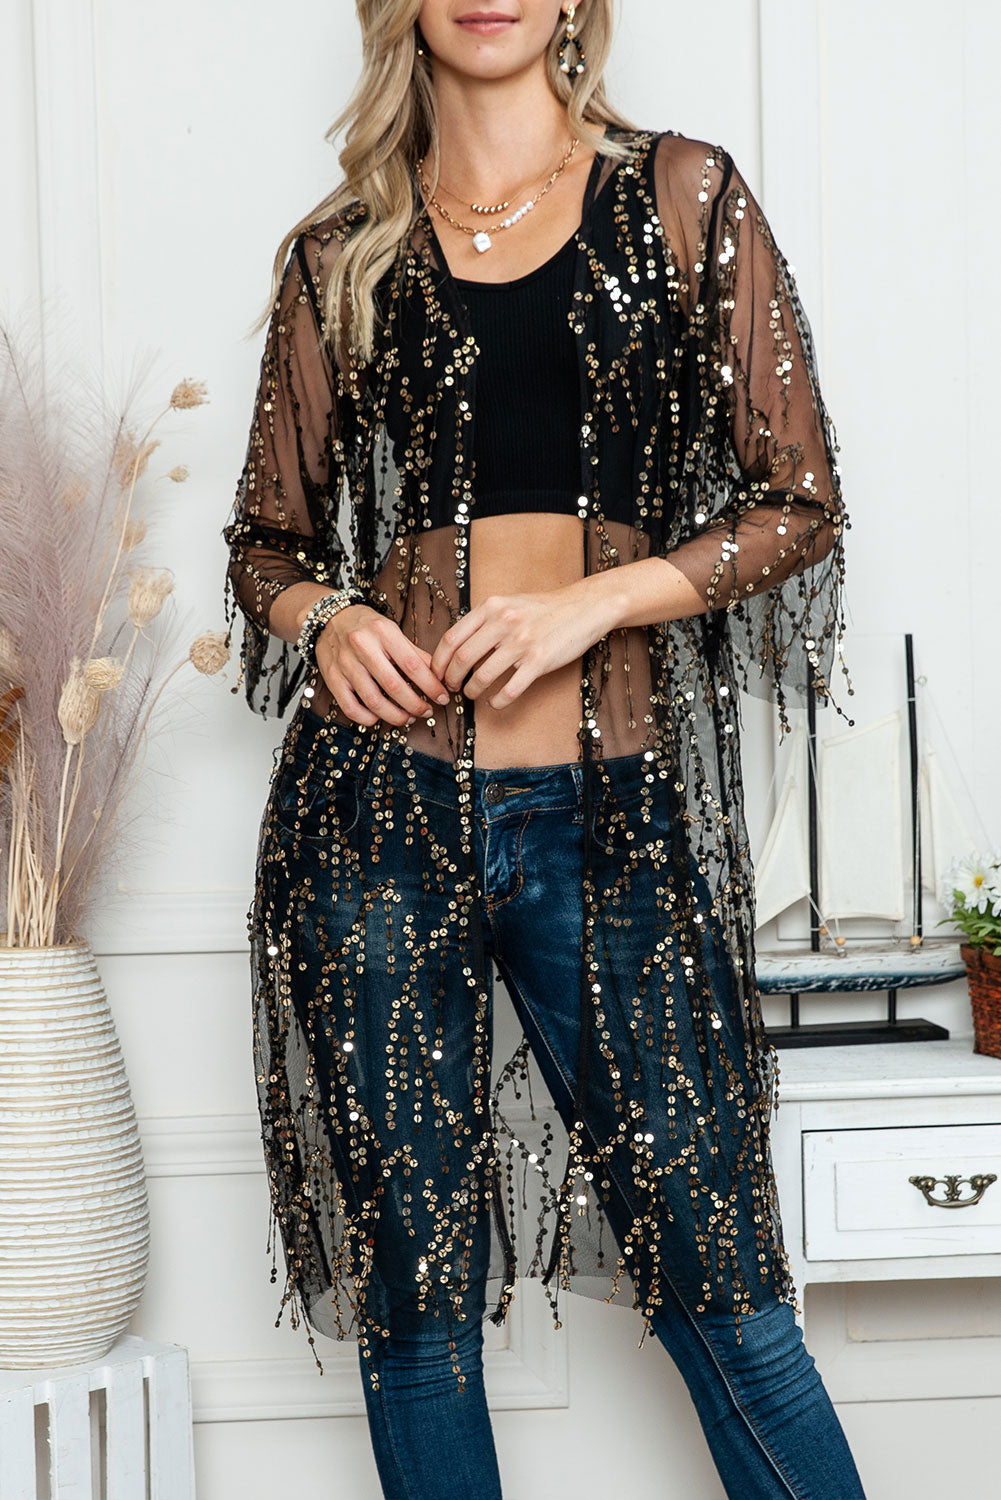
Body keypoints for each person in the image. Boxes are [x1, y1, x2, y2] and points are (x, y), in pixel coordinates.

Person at [221, 2, 866, 1496]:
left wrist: (594, 603)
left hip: (610, 818)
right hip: (375, 821)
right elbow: (263, 542)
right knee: (415, 1313)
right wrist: (327, 619)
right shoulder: (339, 254)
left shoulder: (683, 196)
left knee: (721, 1286)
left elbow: (797, 501)